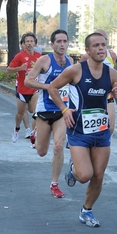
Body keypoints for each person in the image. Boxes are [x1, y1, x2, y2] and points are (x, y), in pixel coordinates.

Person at [48, 32, 117, 227]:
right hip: (79, 130)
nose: (101, 48)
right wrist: (64, 110)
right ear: (88, 50)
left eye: (104, 45)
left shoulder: (111, 73)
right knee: (85, 175)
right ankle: (74, 170)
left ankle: (87, 211)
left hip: (101, 131)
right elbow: (52, 88)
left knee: (98, 176)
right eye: (97, 45)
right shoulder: (76, 70)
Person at [24, 29, 74, 198]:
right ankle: (36, 132)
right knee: (41, 151)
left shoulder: (70, 61)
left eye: (64, 41)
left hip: (62, 110)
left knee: (59, 146)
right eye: (58, 42)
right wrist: (49, 88)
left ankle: (54, 184)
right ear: (52, 44)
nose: (62, 44)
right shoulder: (44, 60)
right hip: (45, 109)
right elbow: (28, 80)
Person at [79, 29, 117, 135]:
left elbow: (113, 73)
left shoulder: (112, 55)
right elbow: (79, 73)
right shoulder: (86, 57)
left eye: (103, 40)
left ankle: (104, 144)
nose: (100, 45)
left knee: (110, 127)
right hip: (89, 94)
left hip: (107, 95)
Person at [6, 32, 41, 142]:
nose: (29, 43)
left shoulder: (39, 57)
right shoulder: (19, 56)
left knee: (34, 111)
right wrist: (20, 68)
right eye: (27, 41)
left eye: (31, 41)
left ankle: (34, 133)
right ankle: (16, 130)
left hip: (34, 89)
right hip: (22, 89)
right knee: (20, 113)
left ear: (35, 43)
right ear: (24, 44)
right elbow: (8, 70)